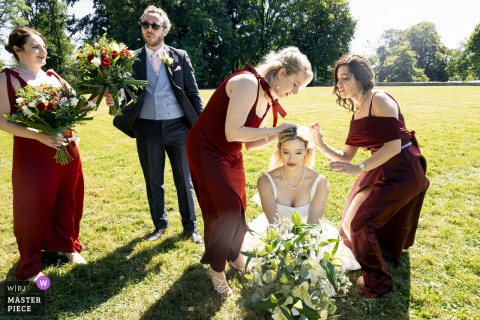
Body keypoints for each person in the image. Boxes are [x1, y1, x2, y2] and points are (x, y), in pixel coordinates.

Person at [186, 47, 313, 297]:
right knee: (225, 209)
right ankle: (216, 268)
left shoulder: (269, 98)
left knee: (238, 206)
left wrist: (280, 136)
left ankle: (234, 256)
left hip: (231, 154)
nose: (296, 92)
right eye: (295, 84)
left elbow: (251, 143)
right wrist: (275, 131)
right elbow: (233, 132)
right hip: (206, 149)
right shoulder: (247, 82)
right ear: (282, 72)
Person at [310, 53, 430, 298]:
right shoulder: (357, 109)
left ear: (361, 77)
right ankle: (365, 253)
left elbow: (394, 146)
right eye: (337, 79)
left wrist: (360, 168)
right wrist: (320, 144)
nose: (339, 84)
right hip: (379, 166)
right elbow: (346, 155)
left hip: (402, 169)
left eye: (345, 77)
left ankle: (379, 281)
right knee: (347, 222)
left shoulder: (380, 99)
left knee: (360, 224)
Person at [0, 27, 87, 282]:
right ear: (18, 50)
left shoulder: (54, 76)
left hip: (66, 150)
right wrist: (39, 135)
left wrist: (104, 95)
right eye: (35, 46)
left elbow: (77, 105)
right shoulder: (8, 78)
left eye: (43, 46)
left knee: (68, 199)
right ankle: (30, 264)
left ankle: (67, 245)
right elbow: (3, 121)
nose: (42, 51)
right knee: (33, 206)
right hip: (33, 155)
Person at [116, 5, 204, 243]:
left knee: (184, 181)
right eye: (145, 24)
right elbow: (122, 93)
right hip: (146, 127)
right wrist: (114, 97)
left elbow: (193, 94)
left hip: (179, 127)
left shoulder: (180, 56)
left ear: (165, 29)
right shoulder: (130, 59)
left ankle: (190, 228)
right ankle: (159, 225)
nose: (149, 29)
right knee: (153, 179)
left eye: (155, 25)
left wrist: (201, 125)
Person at [242, 126, 361, 271]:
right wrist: (284, 253)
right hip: (275, 234)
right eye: (286, 152)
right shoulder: (265, 181)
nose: (291, 159)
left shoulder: (320, 183)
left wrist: (303, 253)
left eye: (298, 152)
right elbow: (274, 225)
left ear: (306, 151)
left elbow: (312, 225)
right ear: (279, 150)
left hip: (309, 234)